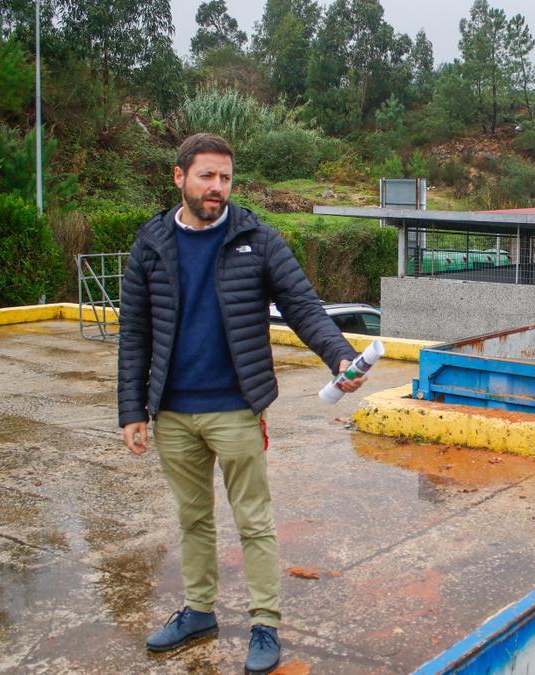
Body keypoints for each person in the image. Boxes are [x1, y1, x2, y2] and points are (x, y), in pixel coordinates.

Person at [117, 133, 365, 674]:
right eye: (206, 176)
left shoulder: (257, 237)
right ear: (179, 177)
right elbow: (133, 332)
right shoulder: (151, 242)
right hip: (173, 412)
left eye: (226, 178)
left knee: (253, 520)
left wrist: (339, 357)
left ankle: (265, 623)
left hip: (236, 407)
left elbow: (303, 305)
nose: (218, 188)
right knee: (193, 519)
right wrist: (131, 410)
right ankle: (200, 611)